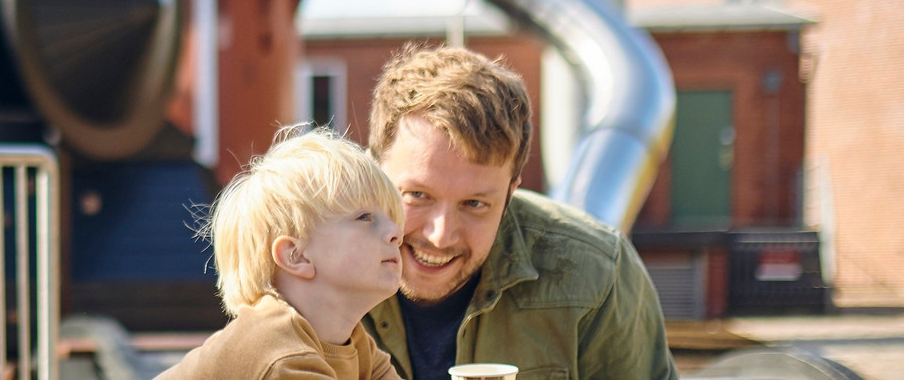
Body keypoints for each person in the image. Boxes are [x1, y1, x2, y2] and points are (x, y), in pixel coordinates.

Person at [363, 45, 679, 380]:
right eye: (417, 195)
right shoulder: (310, 259)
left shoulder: (597, 273)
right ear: (373, 172)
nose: (440, 235)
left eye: (474, 204)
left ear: (511, 192)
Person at [158, 125, 405, 380]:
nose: (396, 231)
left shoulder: (354, 342)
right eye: (365, 218)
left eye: (391, 218)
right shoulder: (278, 351)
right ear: (296, 255)